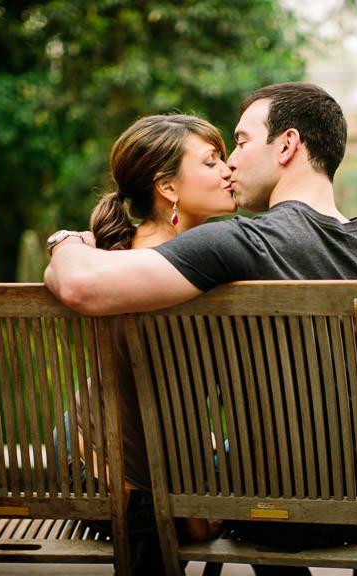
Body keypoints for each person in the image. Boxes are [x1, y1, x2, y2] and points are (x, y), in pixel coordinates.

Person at [45, 82, 357, 575]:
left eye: (243, 142)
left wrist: (65, 241)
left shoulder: (239, 245)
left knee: (249, 476)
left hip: (265, 510)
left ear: (288, 145)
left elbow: (82, 287)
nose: (232, 163)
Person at [49, 113, 235, 572]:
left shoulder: (105, 256)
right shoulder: (199, 270)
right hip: (127, 481)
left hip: (76, 457)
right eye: (212, 162)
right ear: (168, 188)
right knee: (264, 482)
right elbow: (181, 406)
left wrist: (64, 241)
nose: (228, 170)